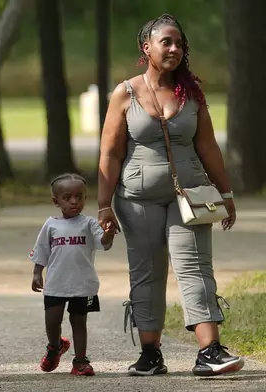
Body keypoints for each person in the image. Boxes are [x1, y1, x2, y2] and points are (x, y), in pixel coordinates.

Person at [97, 14, 244, 377]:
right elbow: (110, 153)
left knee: (195, 267)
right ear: (146, 47)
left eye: (179, 43)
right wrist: (103, 205)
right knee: (146, 272)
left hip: (190, 196)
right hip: (136, 199)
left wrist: (224, 192)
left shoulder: (191, 93)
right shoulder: (125, 93)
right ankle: (150, 354)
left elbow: (208, 147)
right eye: (167, 42)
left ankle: (209, 351)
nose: (175, 49)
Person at [29, 173, 115, 377]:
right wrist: (36, 273)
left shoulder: (89, 224)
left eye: (80, 196)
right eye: (67, 198)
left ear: (86, 198)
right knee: (52, 321)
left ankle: (80, 361)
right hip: (56, 284)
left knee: (79, 322)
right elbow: (41, 250)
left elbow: (103, 243)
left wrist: (109, 233)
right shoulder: (51, 225)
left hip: (82, 284)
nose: (74, 201)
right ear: (56, 201)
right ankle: (54, 346)